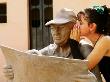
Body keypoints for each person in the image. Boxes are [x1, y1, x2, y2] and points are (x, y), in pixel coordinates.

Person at [3, 8, 98, 82]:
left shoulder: (85, 48)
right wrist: (13, 70)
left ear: (74, 29)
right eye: (53, 28)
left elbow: (96, 79)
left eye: (61, 28)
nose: (56, 32)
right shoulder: (48, 51)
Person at [70, 5, 110, 82]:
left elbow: (83, 69)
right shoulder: (100, 42)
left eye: (81, 23)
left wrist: (73, 44)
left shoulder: (105, 41)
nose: (76, 25)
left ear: (92, 26)